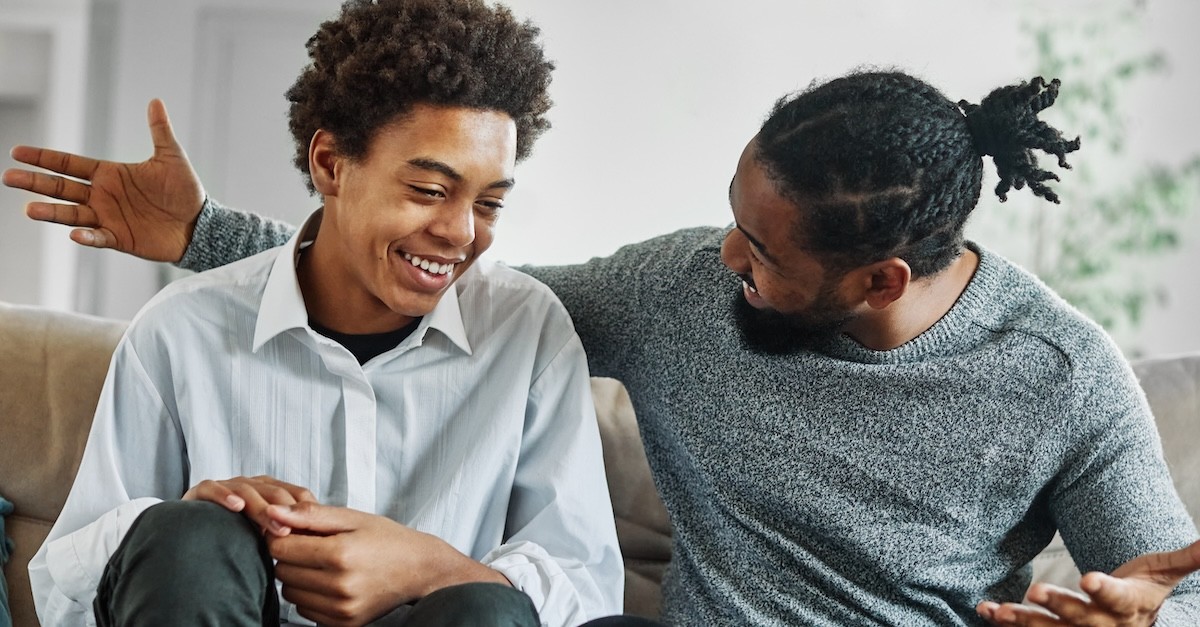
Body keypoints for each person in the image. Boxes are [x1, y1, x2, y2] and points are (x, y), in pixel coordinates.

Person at [7, 67, 1200, 626]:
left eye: (762, 253)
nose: (723, 258)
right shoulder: (685, 289)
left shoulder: (1062, 377)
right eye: (733, 215)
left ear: (876, 280)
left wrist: (1143, 625)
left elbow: (1163, 585)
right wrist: (205, 235)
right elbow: (453, 281)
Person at [8, 0, 625, 625]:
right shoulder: (181, 328)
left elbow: (585, 589)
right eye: (429, 191)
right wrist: (182, 518)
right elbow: (69, 583)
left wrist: (424, 565)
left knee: (486, 609)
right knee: (190, 538)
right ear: (330, 163)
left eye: (489, 203)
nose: (461, 232)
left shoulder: (529, 330)